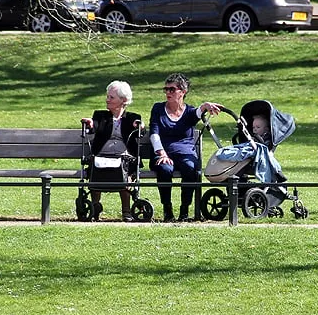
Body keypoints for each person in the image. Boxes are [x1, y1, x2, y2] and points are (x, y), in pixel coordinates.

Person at [149, 73, 223, 222]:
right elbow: (154, 134)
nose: (168, 92)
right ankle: (167, 210)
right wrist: (162, 153)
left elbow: (197, 113)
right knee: (164, 169)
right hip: (163, 153)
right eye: (166, 89)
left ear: (182, 92)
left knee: (190, 167)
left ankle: (184, 211)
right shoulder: (158, 109)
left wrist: (205, 106)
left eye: (172, 89)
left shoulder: (188, 112)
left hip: (184, 153)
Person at [81, 80, 142, 221]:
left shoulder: (133, 118)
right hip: (101, 156)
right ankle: (95, 206)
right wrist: (90, 124)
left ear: (123, 100)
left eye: (111, 97)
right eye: (107, 96)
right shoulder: (100, 116)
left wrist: (140, 126)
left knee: (124, 172)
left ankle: (126, 210)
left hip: (125, 158)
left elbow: (139, 130)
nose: (107, 99)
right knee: (96, 168)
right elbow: (94, 126)